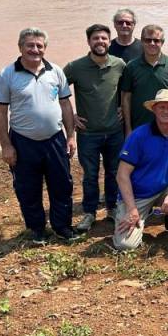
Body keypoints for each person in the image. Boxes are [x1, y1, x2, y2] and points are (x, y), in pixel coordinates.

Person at [0, 28, 78, 244]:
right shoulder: (7, 74)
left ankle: (62, 227)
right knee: (27, 188)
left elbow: (66, 104)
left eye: (39, 45)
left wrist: (70, 136)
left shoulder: (55, 71)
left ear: (45, 48)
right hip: (23, 141)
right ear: (20, 47)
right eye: (30, 45)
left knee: (62, 185)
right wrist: (6, 145)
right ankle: (37, 229)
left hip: (55, 139)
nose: (35, 49)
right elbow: (0, 111)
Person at [112, 90, 168, 250]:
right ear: (154, 110)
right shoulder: (138, 136)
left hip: (166, 189)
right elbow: (122, 175)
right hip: (137, 195)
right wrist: (132, 209)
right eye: (162, 107)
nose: (166, 111)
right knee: (125, 245)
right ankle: (134, 216)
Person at [63, 24, 126, 232]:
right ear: (89, 42)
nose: (100, 42)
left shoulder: (119, 65)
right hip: (88, 133)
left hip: (115, 131)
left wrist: (122, 109)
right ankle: (89, 212)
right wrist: (71, 115)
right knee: (90, 174)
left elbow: (127, 92)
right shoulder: (75, 67)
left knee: (114, 172)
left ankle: (112, 207)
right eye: (96, 39)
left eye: (104, 38)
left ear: (110, 41)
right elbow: (54, 90)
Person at [119, 24, 168, 135]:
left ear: (162, 42)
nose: (152, 44)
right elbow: (126, 99)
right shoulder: (131, 66)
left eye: (156, 40)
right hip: (139, 127)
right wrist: (128, 129)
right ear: (141, 41)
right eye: (148, 40)